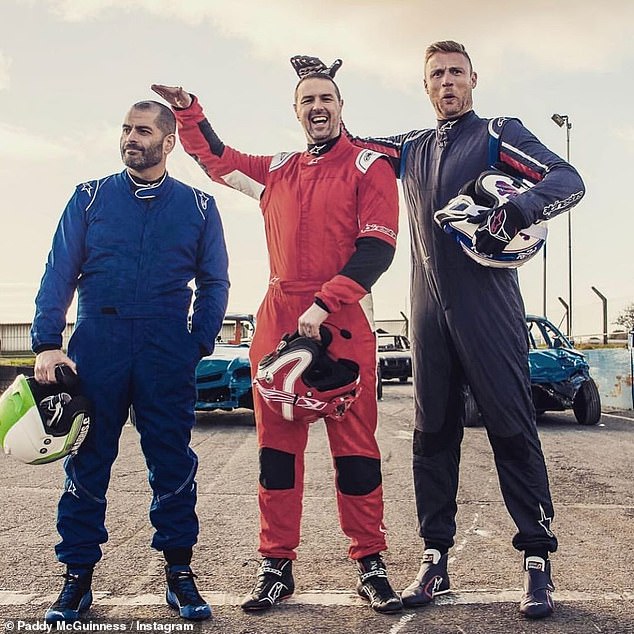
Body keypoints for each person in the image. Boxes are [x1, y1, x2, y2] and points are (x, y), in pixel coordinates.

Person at [292, 42, 585, 620]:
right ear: (425, 86)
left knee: (510, 427)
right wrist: (322, 84)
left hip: (489, 305)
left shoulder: (498, 132)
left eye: (455, 72)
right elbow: (348, 144)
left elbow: (568, 179)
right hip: (426, 307)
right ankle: (435, 560)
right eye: (436, 75)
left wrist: (514, 212)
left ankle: (535, 562)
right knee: (432, 435)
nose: (447, 82)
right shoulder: (412, 148)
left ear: (473, 77)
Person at [151, 64, 403, 614]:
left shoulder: (370, 165)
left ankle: (370, 561)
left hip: (341, 320)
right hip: (278, 318)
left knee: (357, 452)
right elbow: (217, 159)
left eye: (327, 98)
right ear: (297, 111)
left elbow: (378, 249)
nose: (318, 107)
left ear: (341, 106)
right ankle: (276, 565)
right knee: (276, 455)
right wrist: (189, 111)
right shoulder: (278, 169)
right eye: (308, 99)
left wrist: (327, 300)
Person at [31, 100, 230, 623]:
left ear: (168, 143)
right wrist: (47, 341)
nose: (130, 138)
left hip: (167, 344)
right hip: (100, 342)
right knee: (87, 460)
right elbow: (59, 272)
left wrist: (198, 343)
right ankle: (76, 579)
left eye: (142, 131)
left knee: (171, 460)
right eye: (125, 129)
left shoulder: (200, 207)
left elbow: (215, 283)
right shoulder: (89, 197)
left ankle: (179, 574)